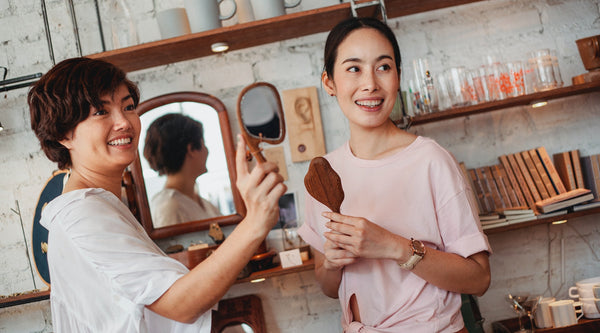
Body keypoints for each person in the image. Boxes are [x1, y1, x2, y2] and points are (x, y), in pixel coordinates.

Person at [28, 57, 286, 332]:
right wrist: (255, 222)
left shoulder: (104, 206)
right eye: (101, 112)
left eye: (128, 107)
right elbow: (181, 304)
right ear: (63, 134)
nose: (124, 122)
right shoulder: (81, 213)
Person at [297, 17, 491, 333]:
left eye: (384, 67)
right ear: (329, 82)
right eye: (353, 68)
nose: (370, 83)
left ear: (398, 76)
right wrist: (332, 262)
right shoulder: (323, 176)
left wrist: (393, 245)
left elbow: (479, 278)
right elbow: (329, 286)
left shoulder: (431, 160)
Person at [143, 113, 221, 228]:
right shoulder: (168, 206)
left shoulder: (202, 202)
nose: (207, 151)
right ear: (191, 149)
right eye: (204, 144)